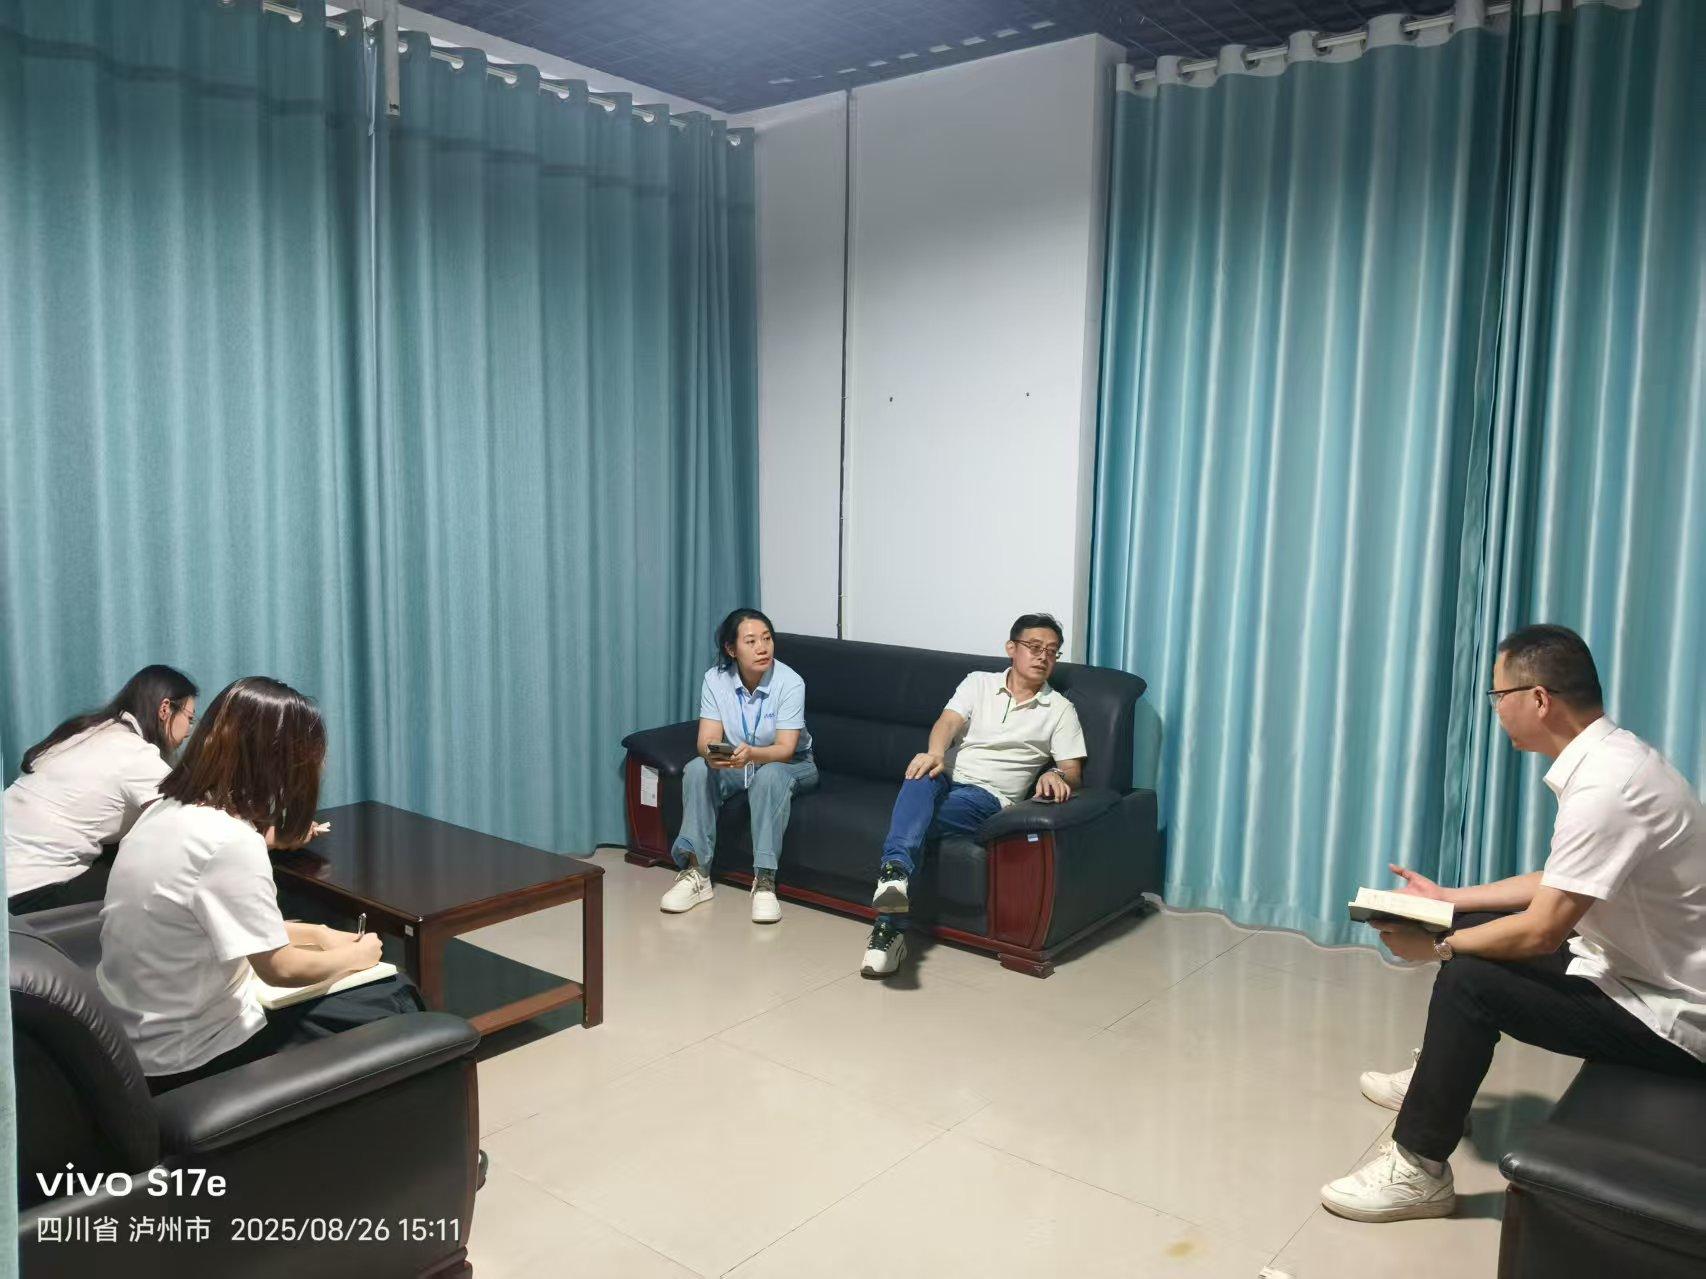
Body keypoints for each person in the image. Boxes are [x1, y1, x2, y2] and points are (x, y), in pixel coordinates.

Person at [1322, 624, 1706, 1223]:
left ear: (1539, 698)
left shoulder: (1607, 788)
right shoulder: (1616, 759)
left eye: (1498, 695)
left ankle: (1419, 1171)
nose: (1496, 708)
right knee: (1474, 925)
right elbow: (1558, 879)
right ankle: (1436, 1079)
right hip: (1634, 971)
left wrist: (1439, 947)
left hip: (1672, 1016)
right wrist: (1448, 900)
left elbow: (1541, 931)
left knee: (1471, 979)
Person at [96, 676, 424, 1094]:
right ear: (280, 761)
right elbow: (281, 968)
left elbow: (221, 923)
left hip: (135, 1041)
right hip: (192, 1056)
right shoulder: (230, 842)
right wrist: (356, 957)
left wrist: (320, 935)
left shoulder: (166, 811)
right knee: (394, 995)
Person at [860, 613, 1088, 978]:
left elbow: (1072, 771)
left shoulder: (1060, 709)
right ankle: (895, 875)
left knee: (913, 821)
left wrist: (1055, 773)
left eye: (1052, 651)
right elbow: (948, 722)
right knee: (920, 772)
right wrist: (935, 753)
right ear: (1011, 648)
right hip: (944, 777)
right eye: (1034, 647)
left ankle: (888, 926)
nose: (1043, 656)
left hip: (987, 797)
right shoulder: (978, 682)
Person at [659, 608, 817, 924]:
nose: (762, 648)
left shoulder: (790, 682)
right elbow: (706, 740)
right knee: (697, 768)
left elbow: (785, 749)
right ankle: (697, 873)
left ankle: (765, 881)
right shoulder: (715, 679)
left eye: (767, 639)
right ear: (731, 649)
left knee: (769, 776)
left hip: (792, 763)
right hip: (738, 760)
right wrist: (715, 755)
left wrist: (751, 755)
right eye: (751, 641)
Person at [5, 665, 198, 914]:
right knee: (167, 869)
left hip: (10, 875)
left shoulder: (83, 732)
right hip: (29, 892)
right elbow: (192, 820)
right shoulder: (132, 752)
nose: (188, 731)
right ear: (165, 709)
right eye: (189, 718)